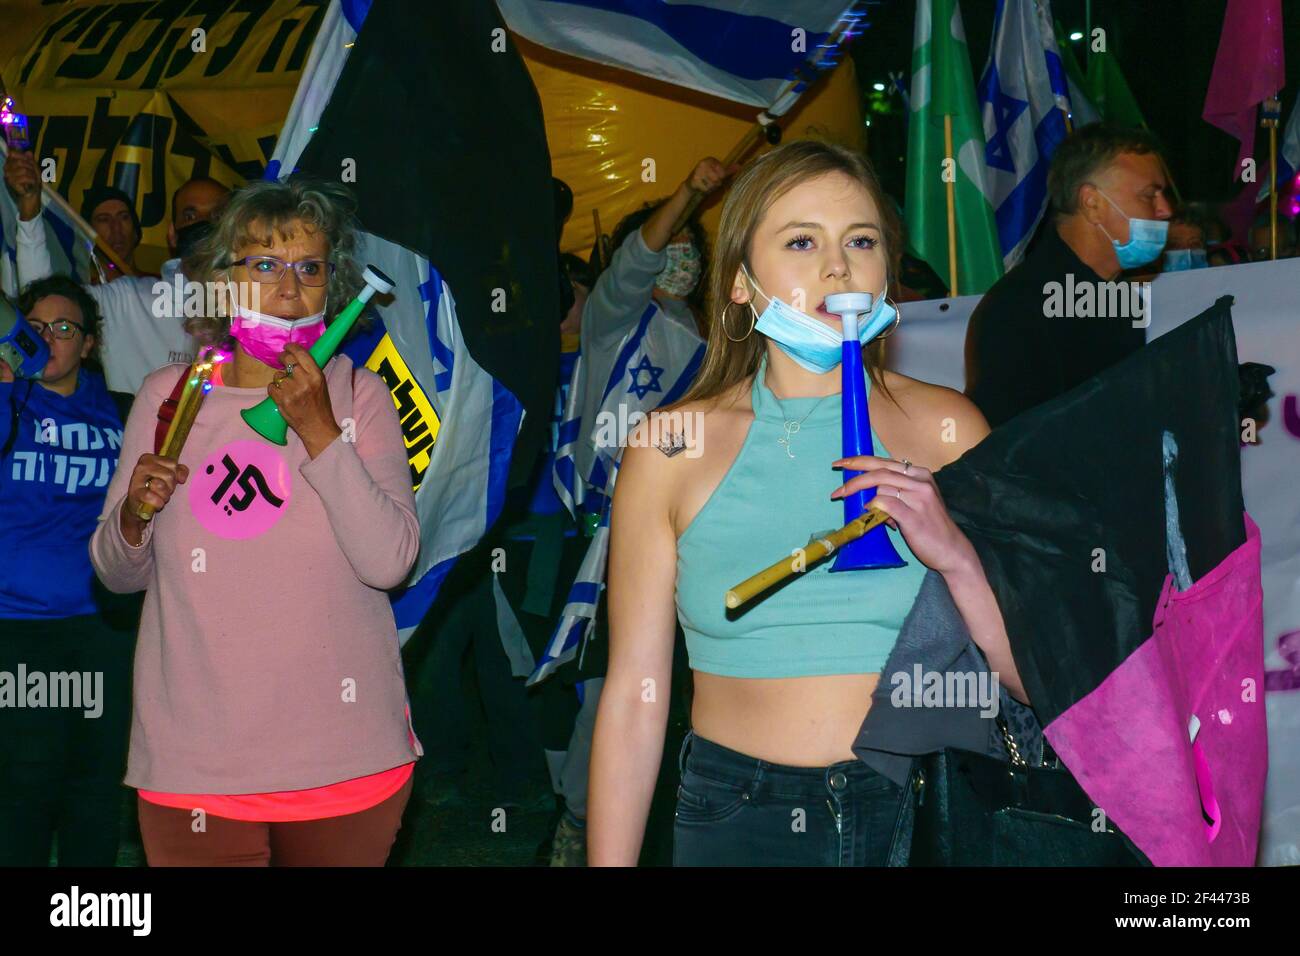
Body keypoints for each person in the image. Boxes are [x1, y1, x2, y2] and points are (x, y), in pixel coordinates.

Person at [586, 139, 1027, 867]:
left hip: (927, 808)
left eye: (861, 240)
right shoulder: (669, 447)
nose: (837, 266)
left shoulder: (951, 430)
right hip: (737, 812)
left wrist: (954, 556)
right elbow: (635, 691)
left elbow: (1032, 677)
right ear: (738, 282)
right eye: (801, 240)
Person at [88, 176, 421, 866]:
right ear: (220, 281)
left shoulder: (361, 395)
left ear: (334, 285)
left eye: (309, 267)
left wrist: (323, 434)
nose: (289, 287)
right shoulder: (168, 396)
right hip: (195, 766)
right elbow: (116, 576)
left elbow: (390, 562)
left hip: (343, 759)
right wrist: (133, 516)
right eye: (264, 265)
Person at [0, 276, 133, 866]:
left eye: (65, 327)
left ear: (88, 345)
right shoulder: (7, 400)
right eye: (35, 328)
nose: (49, 337)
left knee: (96, 781)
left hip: (103, 627)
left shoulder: (125, 409)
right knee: (25, 784)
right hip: (18, 628)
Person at [964, 124, 1173, 428]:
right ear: (1092, 203)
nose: (1165, 209)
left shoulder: (1117, 300)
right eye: (1148, 195)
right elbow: (1008, 451)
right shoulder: (1018, 309)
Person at [4, 147, 230, 394]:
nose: (205, 224)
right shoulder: (129, 300)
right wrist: (29, 212)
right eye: (190, 215)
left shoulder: (258, 306)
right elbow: (43, 296)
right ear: (172, 234)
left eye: (218, 215)